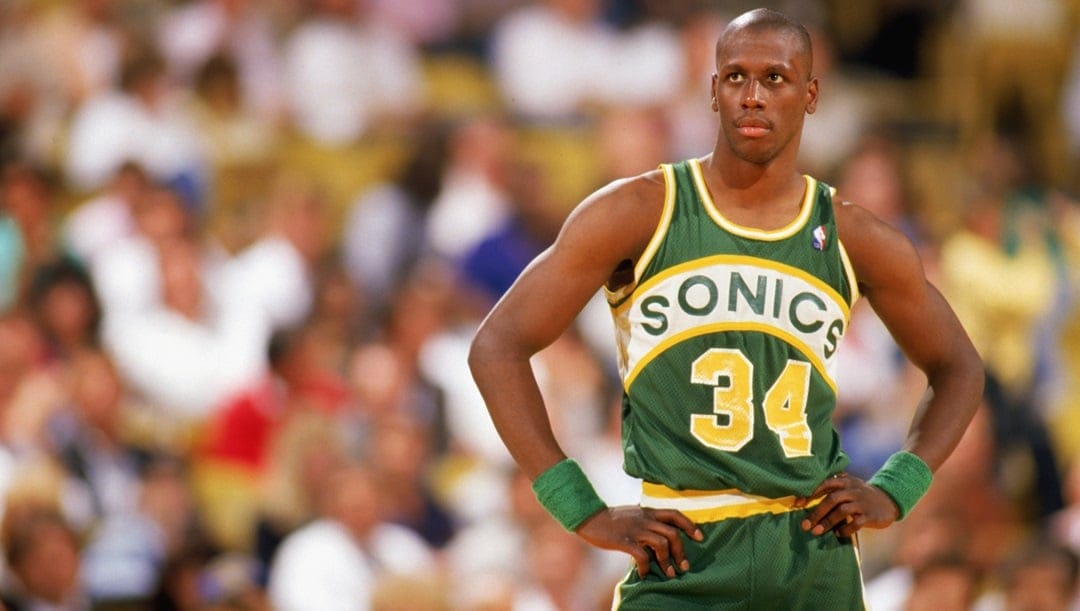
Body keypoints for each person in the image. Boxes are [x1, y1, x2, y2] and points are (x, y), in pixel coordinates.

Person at [468, 8, 985, 609]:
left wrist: (898, 486)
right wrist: (578, 506)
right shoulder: (638, 210)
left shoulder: (855, 236)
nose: (753, 96)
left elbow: (960, 368)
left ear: (811, 93)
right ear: (712, 92)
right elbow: (496, 347)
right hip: (680, 552)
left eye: (775, 78)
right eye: (736, 77)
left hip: (811, 556)